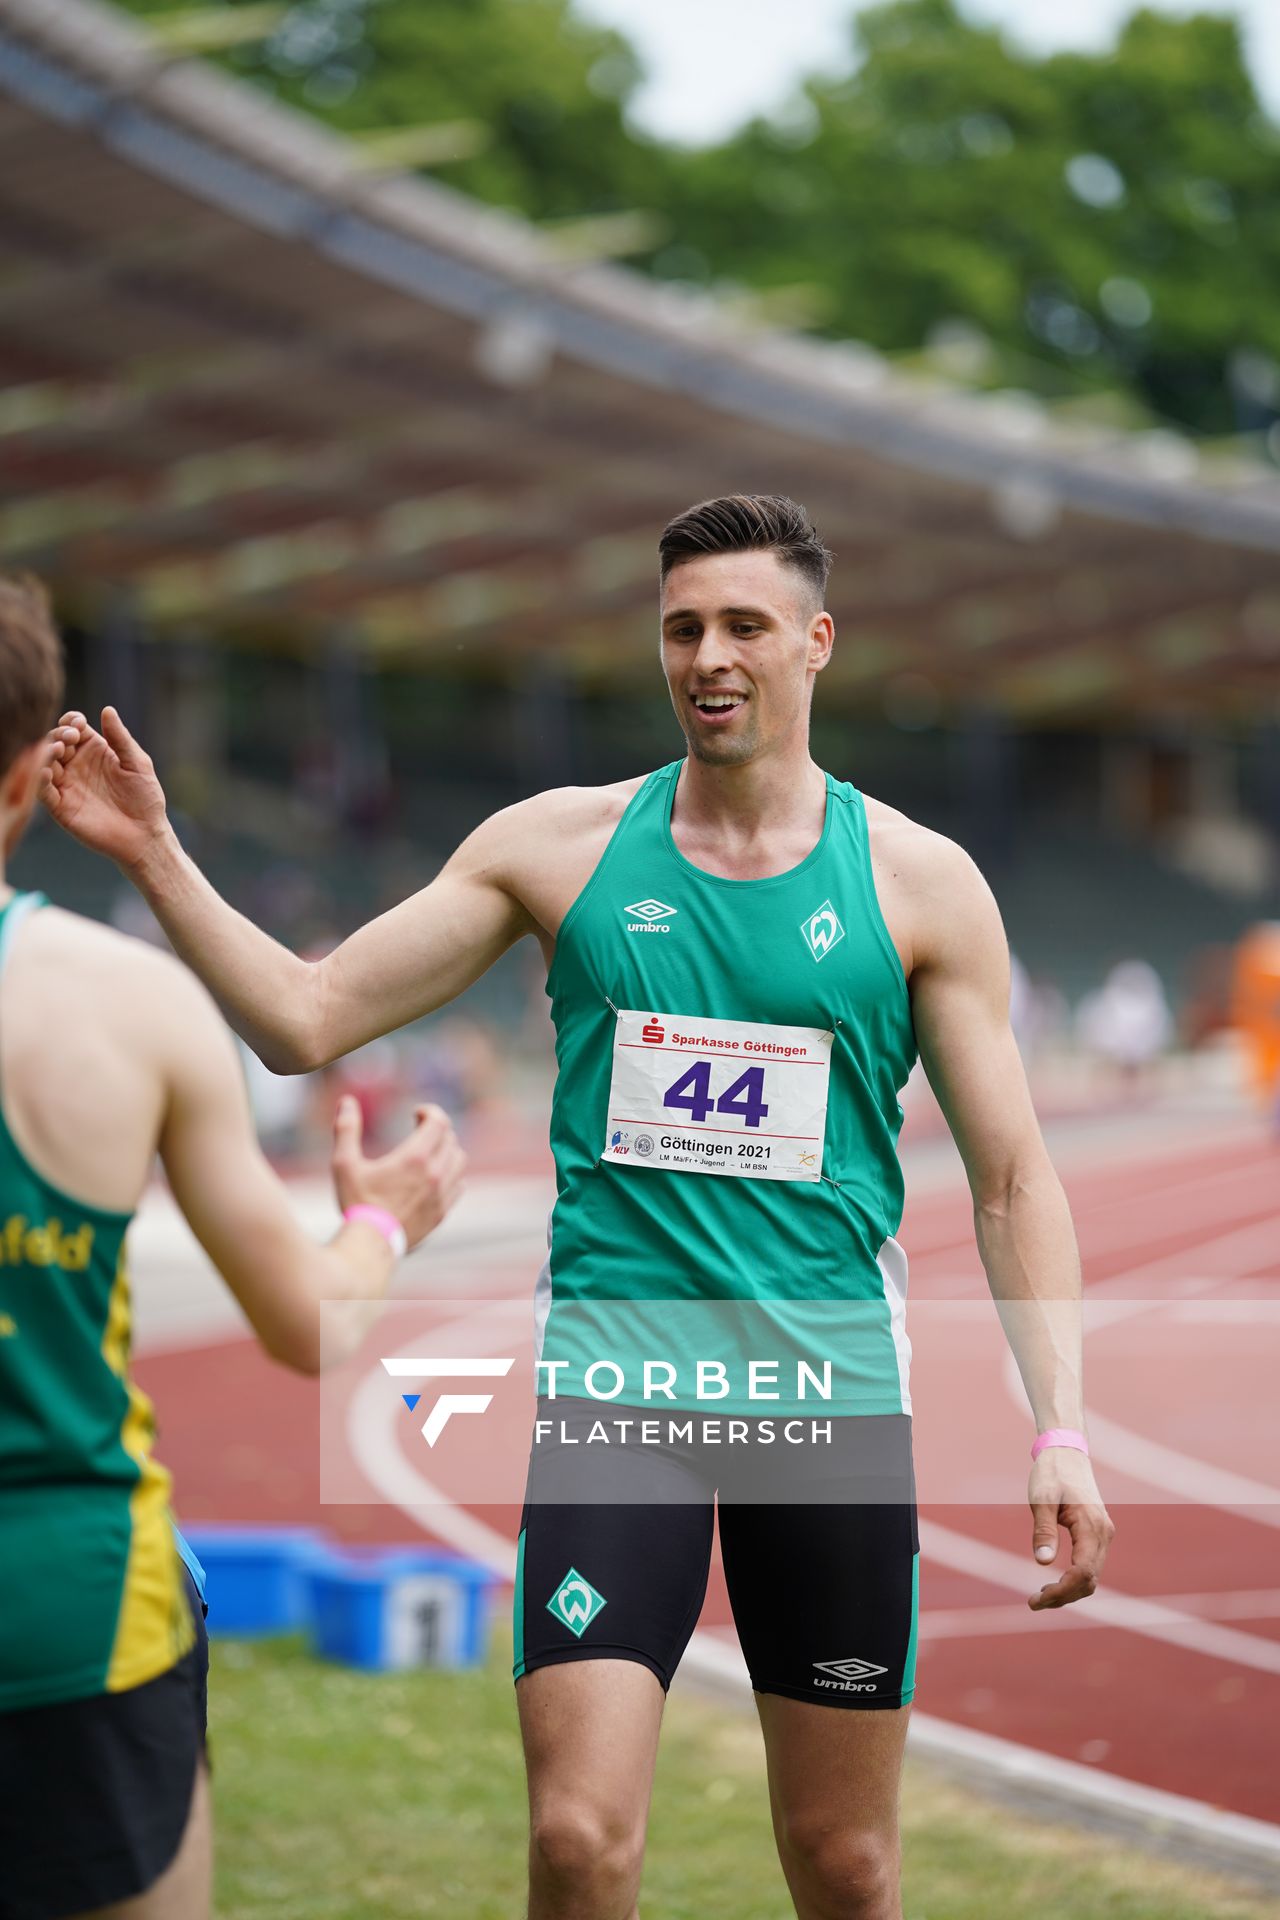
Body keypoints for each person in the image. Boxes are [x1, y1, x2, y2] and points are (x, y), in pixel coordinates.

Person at [44, 496, 1114, 1920]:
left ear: (816, 644)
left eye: (743, 625)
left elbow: (1014, 1178)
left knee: (849, 1865)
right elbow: (306, 1019)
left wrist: (1060, 1426)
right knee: (576, 1840)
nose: (709, 656)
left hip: (832, 1404)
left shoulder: (918, 882)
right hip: (622, 1392)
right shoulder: (557, 848)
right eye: (682, 628)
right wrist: (155, 853)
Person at [0, 574, 465, 1920]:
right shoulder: (130, 1004)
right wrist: (385, 1218)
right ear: (36, 776)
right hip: (76, 1621)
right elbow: (308, 1326)